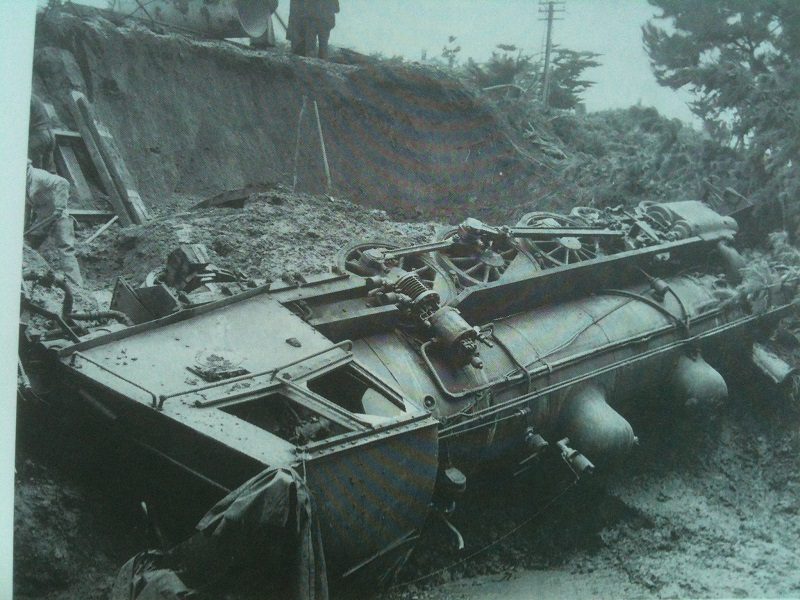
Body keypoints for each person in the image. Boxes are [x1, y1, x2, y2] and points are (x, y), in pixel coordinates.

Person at [25, 160, 84, 287]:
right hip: (42, 218)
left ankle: (76, 285)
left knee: (66, 247)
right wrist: (25, 226)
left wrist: (59, 207)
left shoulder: (39, 176)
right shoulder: (23, 182)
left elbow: (63, 183)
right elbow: (27, 207)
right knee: (28, 245)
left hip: (59, 216)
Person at [29, 93, 56, 172]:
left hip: (38, 136)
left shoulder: (26, 98)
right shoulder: (35, 97)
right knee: (49, 171)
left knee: (35, 171)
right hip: (50, 134)